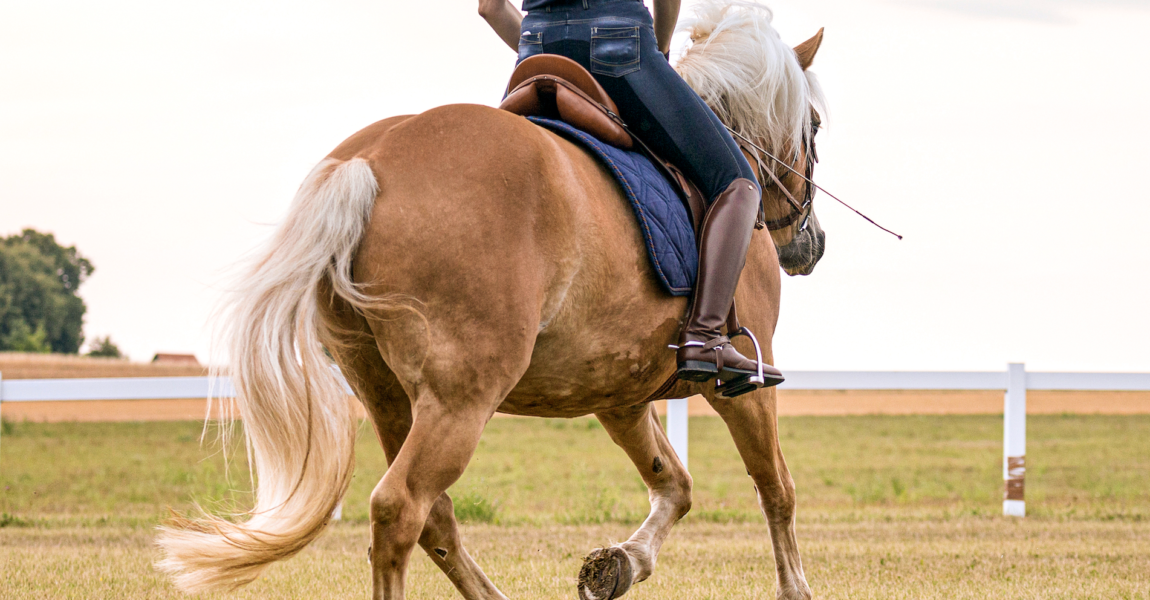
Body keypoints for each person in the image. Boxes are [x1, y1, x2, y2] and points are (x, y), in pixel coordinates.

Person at [479, 0, 784, 388]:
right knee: (737, 181)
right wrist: (657, 48)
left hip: (535, 51)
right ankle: (705, 337)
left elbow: (489, 8)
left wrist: (539, 43)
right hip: (621, 48)